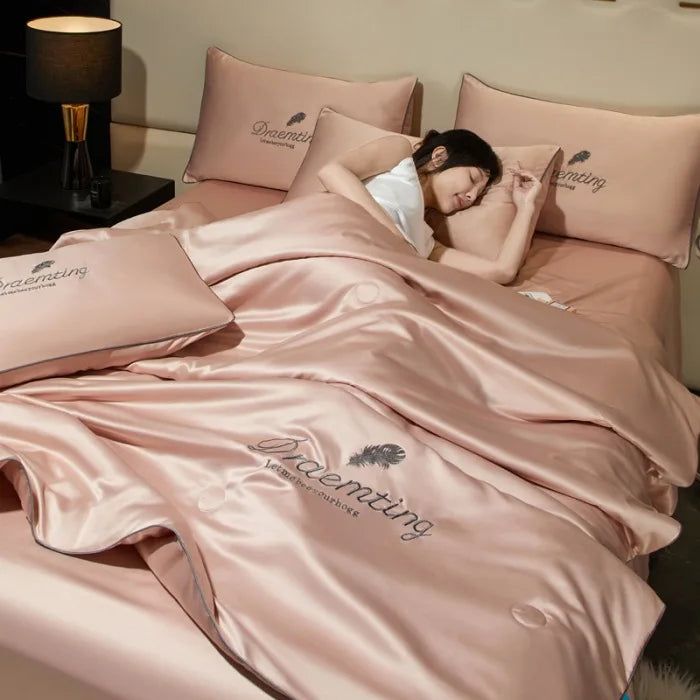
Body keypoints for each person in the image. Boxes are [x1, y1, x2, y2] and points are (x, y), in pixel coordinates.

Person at [318, 129, 542, 284]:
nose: (472, 196)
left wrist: (526, 207)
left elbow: (503, 271)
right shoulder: (399, 155)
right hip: (322, 237)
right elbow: (333, 171)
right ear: (439, 156)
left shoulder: (424, 242)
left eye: (479, 193)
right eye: (473, 178)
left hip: (357, 276)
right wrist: (395, 238)